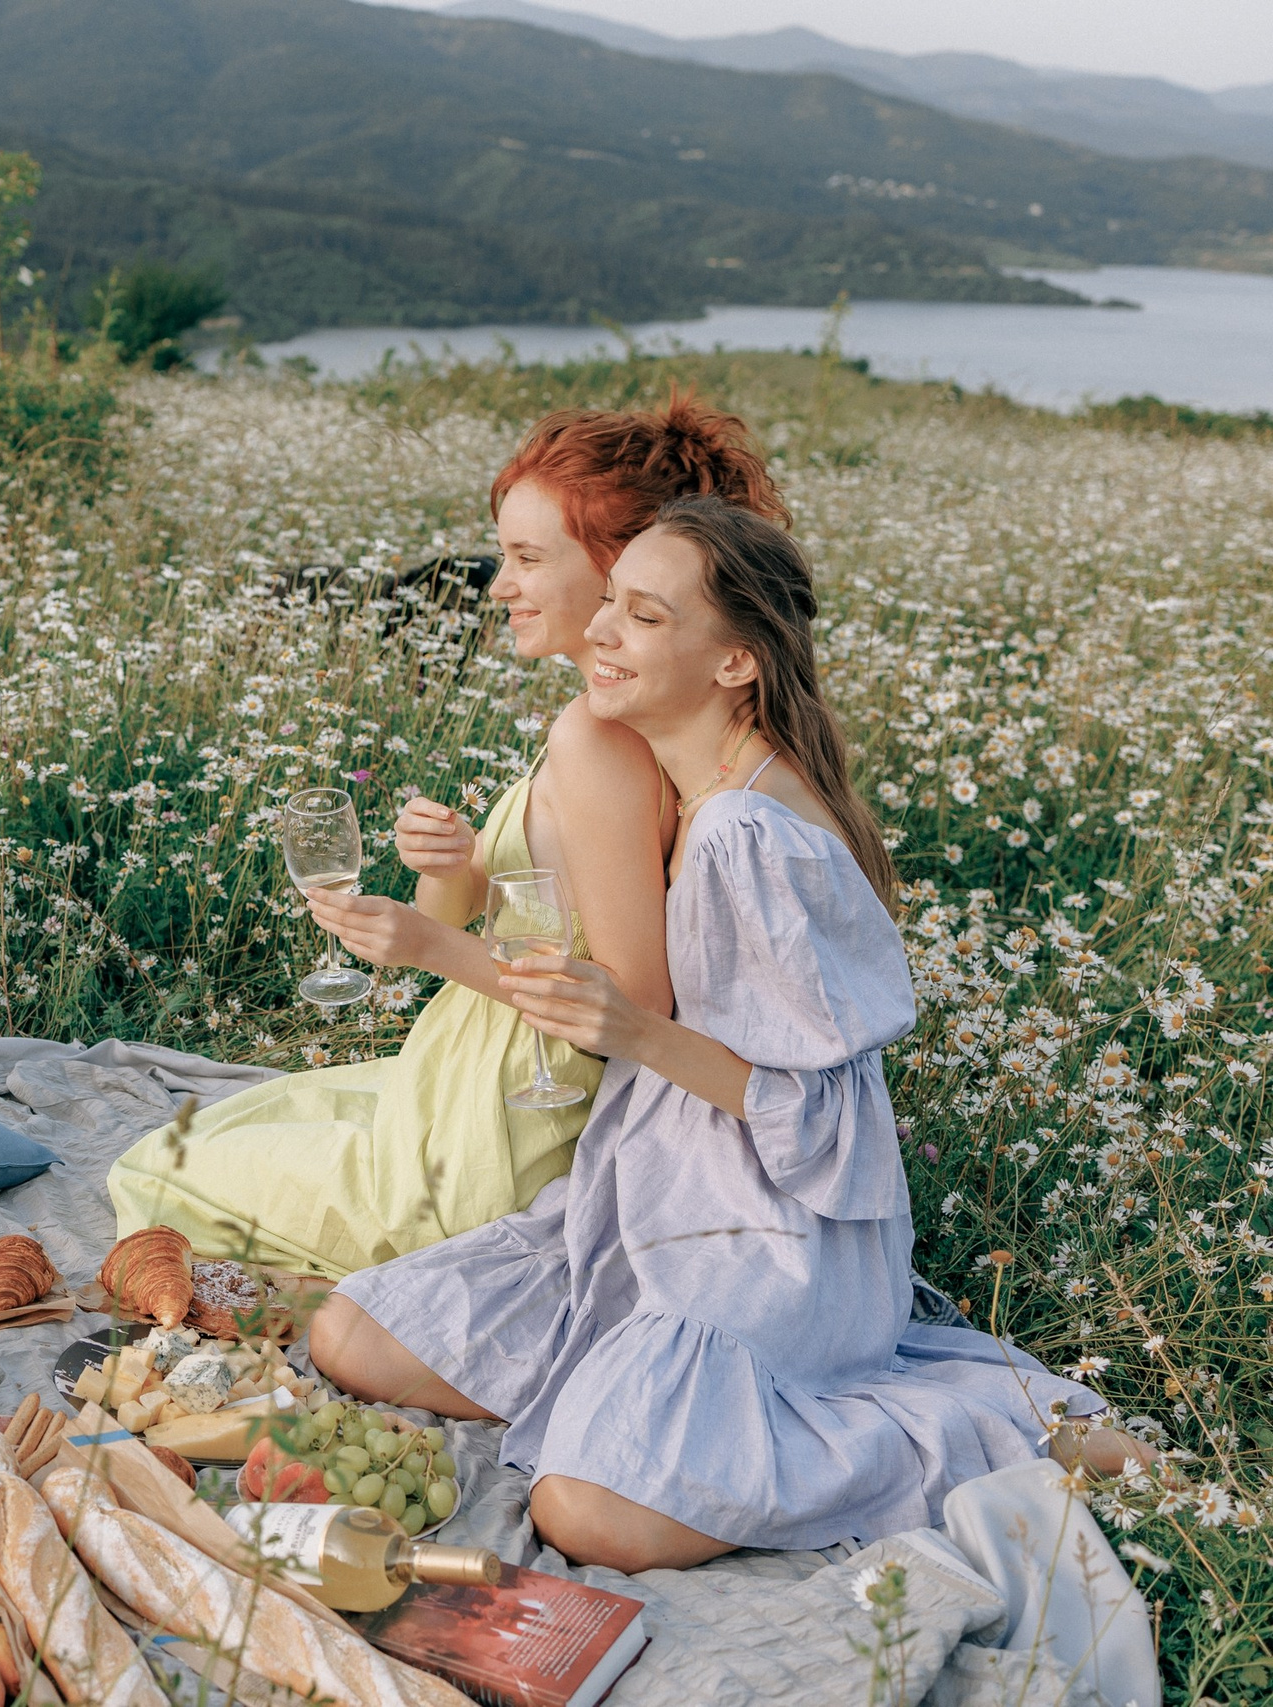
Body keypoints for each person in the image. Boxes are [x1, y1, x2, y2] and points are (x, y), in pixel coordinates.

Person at [309, 497, 1123, 1572]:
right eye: (608, 603)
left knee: (586, 1513)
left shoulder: (748, 829)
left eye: (643, 618)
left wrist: (633, 1029)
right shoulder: (698, 789)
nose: (598, 632)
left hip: (770, 1233)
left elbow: (826, 1117)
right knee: (351, 1335)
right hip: (652, 1184)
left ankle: (1006, 1426)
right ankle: (630, 1378)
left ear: (734, 663)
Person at [106, 396, 791, 1278]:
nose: (497, 584)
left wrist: (428, 943)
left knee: (156, 1168)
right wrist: (457, 868)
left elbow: (630, 1003)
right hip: (466, 1064)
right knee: (241, 1118)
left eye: (525, 558)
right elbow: (535, 911)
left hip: (506, 1120)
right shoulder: (640, 714)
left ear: (621, 567)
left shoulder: (599, 741)